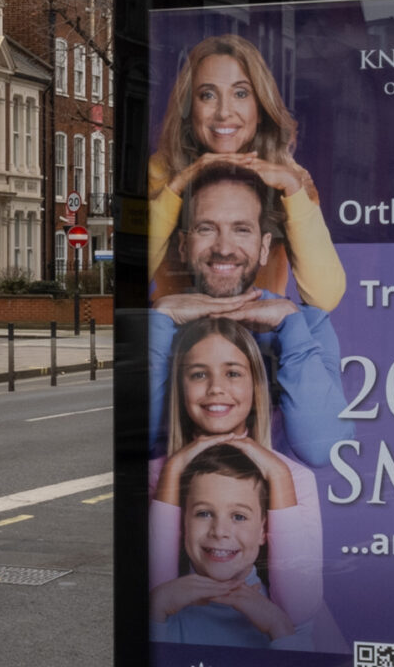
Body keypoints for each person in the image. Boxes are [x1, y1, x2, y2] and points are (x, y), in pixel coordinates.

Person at [145, 165, 346, 467]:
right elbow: (138, 439)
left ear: (264, 248)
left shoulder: (307, 324)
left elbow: (323, 449)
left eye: (241, 229)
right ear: (184, 247)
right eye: (206, 228)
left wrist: (290, 325)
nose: (224, 248)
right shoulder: (156, 323)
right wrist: (160, 320)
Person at [145, 35, 346, 310]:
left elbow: (325, 297)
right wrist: (177, 186)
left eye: (240, 93)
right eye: (208, 95)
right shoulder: (161, 171)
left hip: (255, 343)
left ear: (260, 108)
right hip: (178, 340)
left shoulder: (289, 177)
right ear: (189, 109)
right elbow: (132, 276)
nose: (224, 112)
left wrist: (292, 188)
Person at [149, 442, 311, 648]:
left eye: (239, 516)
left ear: (263, 531)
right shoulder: (162, 608)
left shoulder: (288, 614)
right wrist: (155, 608)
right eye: (204, 513)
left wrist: (279, 628)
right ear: (182, 523)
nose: (219, 531)